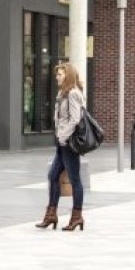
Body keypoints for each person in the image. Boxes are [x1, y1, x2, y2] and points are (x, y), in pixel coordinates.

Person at [36, 61, 86, 231]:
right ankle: (51, 215)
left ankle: (77, 217)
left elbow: (75, 119)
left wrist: (63, 136)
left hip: (69, 143)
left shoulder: (73, 94)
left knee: (75, 180)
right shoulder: (62, 94)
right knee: (53, 176)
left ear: (68, 75)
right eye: (56, 74)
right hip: (62, 141)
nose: (57, 77)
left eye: (60, 74)